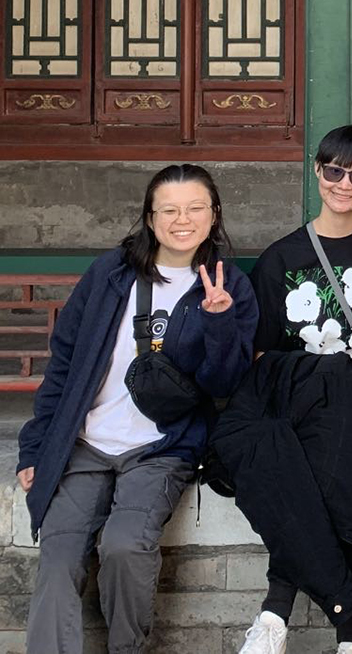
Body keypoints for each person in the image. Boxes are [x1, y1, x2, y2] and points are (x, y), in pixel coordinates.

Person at [17, 164, 257, 654]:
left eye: (195, 208)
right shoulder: (110, 273)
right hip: (85, 441)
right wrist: (36, 445)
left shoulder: (229, 284)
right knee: (60, 557)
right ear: (150, 218)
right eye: (168, 210)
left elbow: (225, 383)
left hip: (161, 446)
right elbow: (65, 361)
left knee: (125, 545)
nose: (182, 219)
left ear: (215, 216)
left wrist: (219, 321)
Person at [223, 125, 352, 654]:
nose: (344, 183)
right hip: (297, 396)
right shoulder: (281, 258)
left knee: (321, 446)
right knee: (309, 444)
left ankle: (274, 612)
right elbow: (263, 356)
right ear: (317, 170)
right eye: (334, 170)